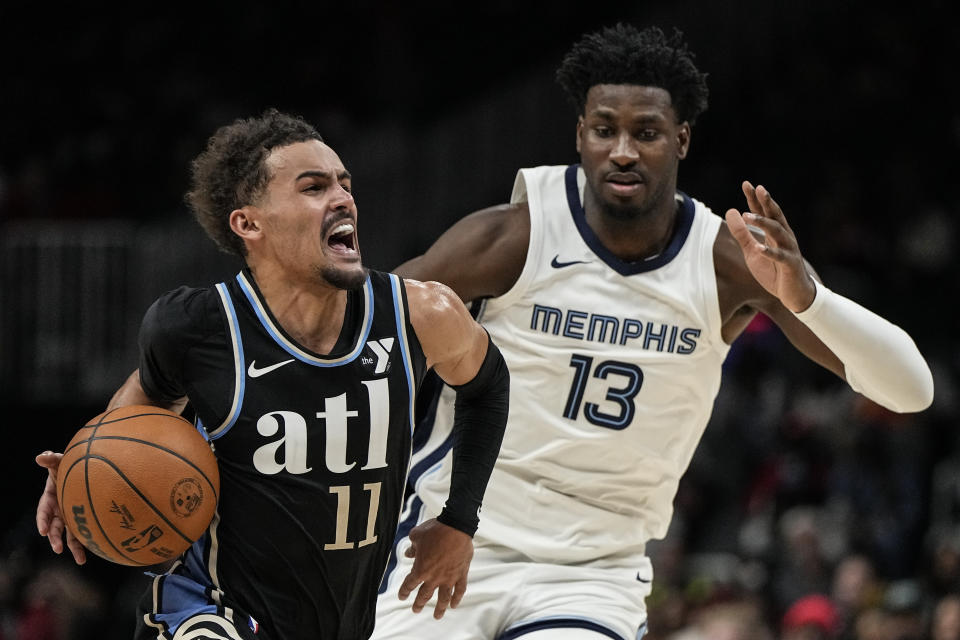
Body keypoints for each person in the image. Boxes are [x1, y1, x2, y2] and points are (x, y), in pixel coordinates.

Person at [373, 23, 934, 640]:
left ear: (681, 140)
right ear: (579, 136)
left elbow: (910, 391)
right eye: (604, 129)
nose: (622, 150)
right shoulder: (514, 236)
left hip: (592, 574)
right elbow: (367, 337)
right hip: (452, 540)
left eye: (646, 133)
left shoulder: (727, 260)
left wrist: (811, 299)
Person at [34, 109, 510, 640]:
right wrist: (80, 470)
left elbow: (487, 387)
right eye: (313, 187)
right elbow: (135, 418)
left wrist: (459, 520)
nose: (342, 197)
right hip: (211, 610)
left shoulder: (421, 314)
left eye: (344, 184)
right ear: (249, 223)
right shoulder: (196, 327)